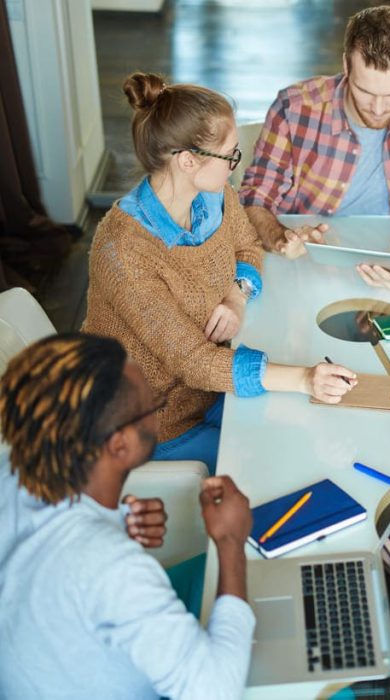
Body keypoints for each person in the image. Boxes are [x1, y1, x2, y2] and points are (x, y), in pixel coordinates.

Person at [84, 72, 356, 473]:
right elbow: (193, 360)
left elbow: (247, 245)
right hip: (151, 426)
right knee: (282, 461)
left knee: (311, 430)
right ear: (188, 160)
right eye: (229, 155)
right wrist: (303, 378)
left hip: (209, 394)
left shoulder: (212, 195)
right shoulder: (124, 250)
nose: (233, 166)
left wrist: (236, 294)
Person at [0, 333, 255, 698]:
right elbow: (216, 691)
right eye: (153, 404)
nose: (159, 408)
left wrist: (115, 522)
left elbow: (42, 560)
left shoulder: (13, 468)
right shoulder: (112, 569)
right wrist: (231, 542)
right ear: (119, 443)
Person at [239, 5, 390, 289]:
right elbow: (254, 197)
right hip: (307, 265)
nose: (379, 108)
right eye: (365, 91)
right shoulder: (294, 106)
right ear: (346, 65)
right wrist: (282, 238)